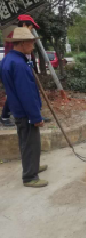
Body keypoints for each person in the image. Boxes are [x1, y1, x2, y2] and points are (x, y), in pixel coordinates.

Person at [1, 27, 48, 188]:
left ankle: (32, 166)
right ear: (22, 43)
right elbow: (26, 93)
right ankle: (29, 176)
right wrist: (35, 117)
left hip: (18, 110)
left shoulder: (8, 60)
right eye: (31, 43)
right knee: (30, 143)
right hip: (25, 112)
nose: (33, 46)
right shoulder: (19, 64)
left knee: (25, 142)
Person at [1, 15, 42, 127]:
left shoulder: (21, 56)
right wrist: (35, 118)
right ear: (24, 25)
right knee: (19, 94)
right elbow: (25, 92)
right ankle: (6, 116)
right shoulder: (16, 59)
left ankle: (34, 113)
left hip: (25, 69)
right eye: (30, 28)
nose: (31, 31)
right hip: (19, 72)